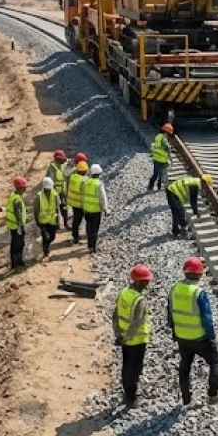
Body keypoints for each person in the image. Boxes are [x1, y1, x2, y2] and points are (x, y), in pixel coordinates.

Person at [168, 257, 218, 406]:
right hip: (199, 337)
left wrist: (174, 331)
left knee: (185, 365)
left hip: (182, 337)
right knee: (215, 362)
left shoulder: (174, 289)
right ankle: (213, 395)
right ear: (200, 274)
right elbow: (207, 318)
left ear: (184, 271)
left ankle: (186, 399)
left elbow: (170, 313)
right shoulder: (198, 292)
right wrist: (211, 336)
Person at [115, 264, 153, 408]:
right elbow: (136, 322)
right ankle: (131, 397)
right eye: (145, 281)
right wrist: (127, 338)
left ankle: (127, 393)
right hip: (136, 340)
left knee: (127, 367)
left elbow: (115, 314)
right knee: (135, 369)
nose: (147, 284)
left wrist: (118, 334)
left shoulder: (123, 293)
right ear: (138, 282)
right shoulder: (139, 300)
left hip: (124, 337)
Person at [82, 164, 108, 254]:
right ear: (98, 174)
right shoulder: (99, 184)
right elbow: (102, 197)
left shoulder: (85, 182)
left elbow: (83, 194)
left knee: (89, 227)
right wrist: (105, 209)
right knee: (95, 229)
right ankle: (92, 247)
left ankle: (89, 245)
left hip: (87, 209)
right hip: (96, 210)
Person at [6, 176, 28, 270]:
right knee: (19, 244)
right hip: (16, 226)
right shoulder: (17, 200)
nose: (26, 188)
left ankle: (16, 262)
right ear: (20, 188)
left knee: (15, 244)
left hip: (12, 225)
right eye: (24, 187)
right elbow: (18, 215)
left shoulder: (13, 196)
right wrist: (21, 227)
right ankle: (16, 262)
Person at [35, 177, 59, 261]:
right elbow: (36, 209)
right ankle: (46, 251)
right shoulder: (39, 196)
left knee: (52, 237)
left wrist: (58, 220)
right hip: (43, 221)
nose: (49, 191)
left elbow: (57, 208)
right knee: (45, 237)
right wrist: (37, 220)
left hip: (52, 220)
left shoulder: (55, 194)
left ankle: (46, 246)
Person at [46, 150, 70, 229]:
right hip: (54, 191)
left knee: (64, 208)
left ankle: (66, 224)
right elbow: (48, 180)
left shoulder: (64, 165)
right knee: (55, 209)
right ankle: (56, 225)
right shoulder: (52, 168)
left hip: (63, 191)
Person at [68, 161, 89, 244]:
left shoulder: (73, 177)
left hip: (74, 203)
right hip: (82, 204)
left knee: (76, 221)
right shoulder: (85, 180)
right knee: (88, 220)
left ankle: (75, 237)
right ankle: (88, 236)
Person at [148, 124, 173, 191]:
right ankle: (156, 186)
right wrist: (170, 148)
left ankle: (152, 186)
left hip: (156, 158)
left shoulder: (158, 136)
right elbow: (167, 147)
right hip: (161, 159)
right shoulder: (164, 138)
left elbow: (155, 146)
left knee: (156, 174)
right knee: (159, 174)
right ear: (167, 132)